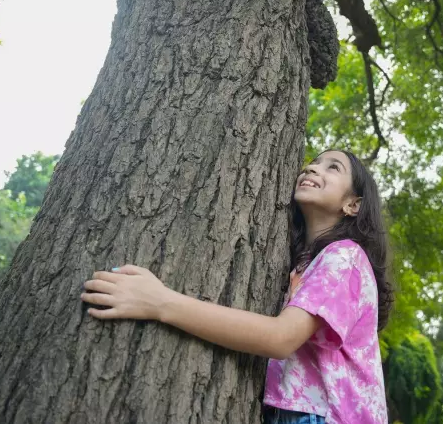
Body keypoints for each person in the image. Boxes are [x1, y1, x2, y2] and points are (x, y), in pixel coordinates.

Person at [80, 149, 392, 424]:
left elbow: (280, 338)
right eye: (314, 162)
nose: (312, 168)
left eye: (332, 167)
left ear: (353, 204)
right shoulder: (306, 264)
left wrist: (160, 303)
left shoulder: (345, 256)